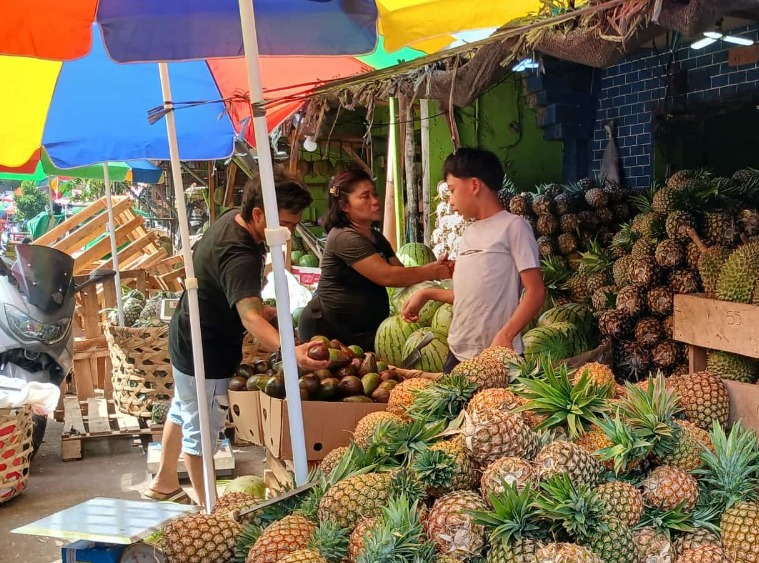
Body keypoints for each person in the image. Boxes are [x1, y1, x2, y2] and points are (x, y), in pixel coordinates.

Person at [144, 171, 326, 503]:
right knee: (202, 435)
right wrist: (292, 352)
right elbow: (250, 317)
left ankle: (165, 482)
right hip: (206, 351)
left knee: (183, 409)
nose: (290, 233)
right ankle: (209, 509)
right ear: (258, 214)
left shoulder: (233, 219)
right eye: (285, 223)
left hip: (187, 334)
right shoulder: (240, 254)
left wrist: (258, 309)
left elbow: (242, 302)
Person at [400, 148, 545, 370]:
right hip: (457, 354)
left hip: (497, 357)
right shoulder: (469, 233)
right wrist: (426, 293)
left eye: (452, 190)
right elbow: (467, 297)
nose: (450, 201)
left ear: (474, 185)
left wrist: (506, 335)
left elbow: (535, 292)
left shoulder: (514, 227)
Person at [298, 168, 453, 351]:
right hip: (328, 328)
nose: (375, 201)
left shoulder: (375, 237)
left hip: (360, 331)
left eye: (375, 194)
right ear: (344, 205)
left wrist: (435, 267)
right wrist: (434, 271)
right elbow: (387, 276)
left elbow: (400, 273)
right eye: (365, 197)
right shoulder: (343, 237)